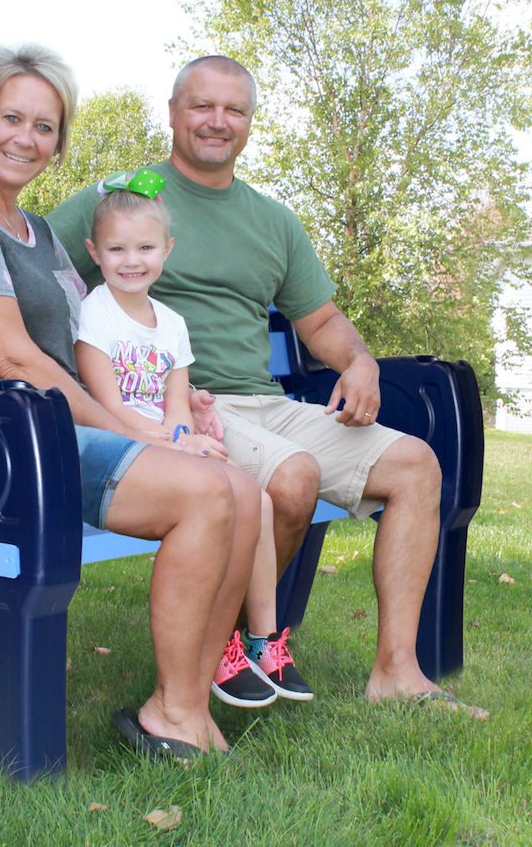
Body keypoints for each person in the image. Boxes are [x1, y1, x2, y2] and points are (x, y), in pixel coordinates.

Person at [48, 55, 488, 718]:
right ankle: (235, 648)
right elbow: (34, 265)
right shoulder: (125, 200)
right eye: (202, 106)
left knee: (415, 467)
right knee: (292, 478)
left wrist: (359, 361)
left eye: (235, 110)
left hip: (270, 403)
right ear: (173, 113)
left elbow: (321, 320)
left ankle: (396, 671)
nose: (217, 122)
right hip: (184, 406)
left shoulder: (272, 220)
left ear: (250, 123)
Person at [0, 43, 270, 758]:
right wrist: (141, 436)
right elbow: (5, 355)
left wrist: (176, 402)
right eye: (12, 117)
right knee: (203, 493)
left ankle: (182, 702)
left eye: (45, 126)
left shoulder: (35, 233)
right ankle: (179, 712)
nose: (26, 138)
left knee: (242, 489)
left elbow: (87, 346)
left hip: (45, 426)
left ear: (59, 141)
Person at [74, 171, 312, 705]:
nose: (131, 260)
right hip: (125, 443)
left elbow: (176, 400)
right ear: (94, 251)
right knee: (221, 495)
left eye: (145, 247)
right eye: (116, 248)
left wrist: (187, 436)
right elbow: (107, 405)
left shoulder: (173, 324)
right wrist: (177, 444)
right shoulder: (95, 313)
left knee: (259, 498)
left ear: (167, 250)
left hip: (168, 441)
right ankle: (218, 650)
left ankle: (261, 640)